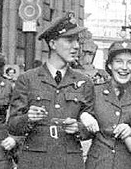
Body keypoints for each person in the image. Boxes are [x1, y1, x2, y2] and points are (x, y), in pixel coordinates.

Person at [8, 12, 96, 169]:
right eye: (69, 40)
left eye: (77, 41)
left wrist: (78, 128)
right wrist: (28, 118)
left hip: (70, 161)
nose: (76, 46)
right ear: (53, 44)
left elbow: (91, 128)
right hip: (34, 161)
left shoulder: (85, 82)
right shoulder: (28, 79)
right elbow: (13, 125)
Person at [85, 40, 131, 169]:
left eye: (130, 62)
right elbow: (83, 131)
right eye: (118, 61)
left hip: (130, 163)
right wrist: (83, 117)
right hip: (99, 163)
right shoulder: (95, 92)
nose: (124, 67)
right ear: (109, 65)